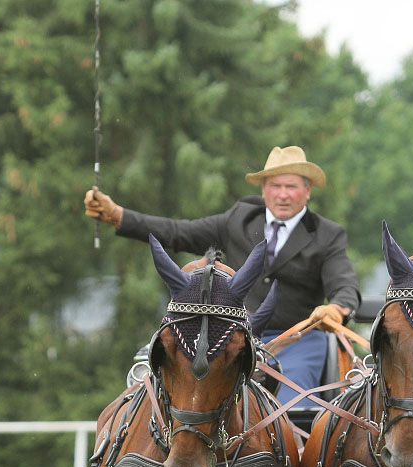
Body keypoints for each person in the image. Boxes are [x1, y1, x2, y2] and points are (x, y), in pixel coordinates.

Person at [84, 145, 361, 405]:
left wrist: (337, 308)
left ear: (307, 190)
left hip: (298, 342)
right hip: (233, 337)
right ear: (264, 190)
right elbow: (178, 232)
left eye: (291, 187)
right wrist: (118, 216)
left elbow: (344, 283)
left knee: (288, 408)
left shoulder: (327, 234)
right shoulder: (238, 219)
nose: (283, 194)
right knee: (195, 402)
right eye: (275, 186)